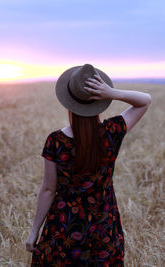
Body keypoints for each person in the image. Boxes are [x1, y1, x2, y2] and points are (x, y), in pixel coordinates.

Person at [26, 64, 152, 266]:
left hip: (64, 228)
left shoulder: (56, 141)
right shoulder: (112, 131)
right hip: (104, 228)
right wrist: (111, 93)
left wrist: (34, 232)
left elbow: (49, 190)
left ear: (68, 102)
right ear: (99, 102)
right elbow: (145, 101)